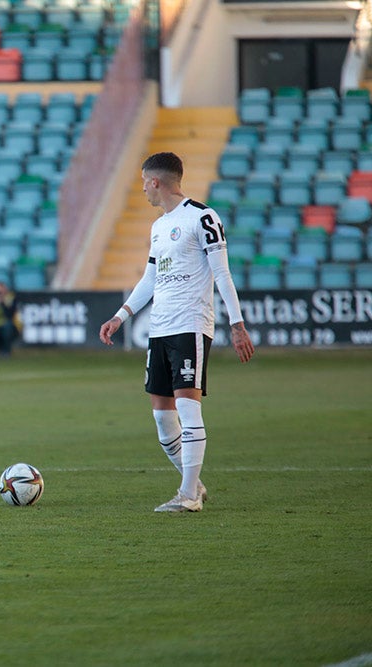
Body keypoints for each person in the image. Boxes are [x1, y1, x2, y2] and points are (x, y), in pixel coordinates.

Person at [99, 152, 255, 513]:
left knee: (188, 407)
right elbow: (151, 278)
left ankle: (187, 496)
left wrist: (237, 324)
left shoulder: (202, 217)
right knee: (161, 417)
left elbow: (222, 274)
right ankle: (194, 485)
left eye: (143, 183)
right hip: (160, 329)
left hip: (190, 324)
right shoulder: (158, 226)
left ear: (156, 181)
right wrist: (120, 316)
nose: (143, 191)